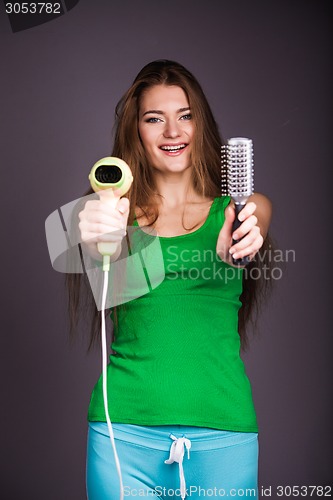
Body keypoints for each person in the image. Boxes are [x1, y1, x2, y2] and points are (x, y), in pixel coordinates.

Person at [73, 60, 273, 499]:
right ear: (135, 131)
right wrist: (95, 237)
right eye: (153, 119)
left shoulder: (240, 208)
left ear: (200, 124)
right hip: (122, 435)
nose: (172, 131)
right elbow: (97, 268)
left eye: (185, 115)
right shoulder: (110, 212)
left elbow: (253, 227)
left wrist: (239, 244)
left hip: (224, 433)